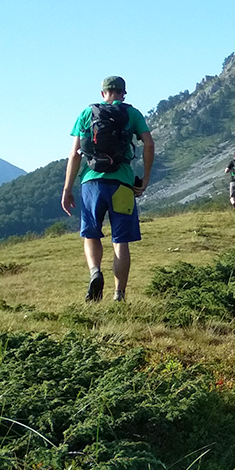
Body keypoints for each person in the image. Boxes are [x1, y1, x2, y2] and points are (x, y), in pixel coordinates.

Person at [60, 76, 155, 303]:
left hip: (91, 182)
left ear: (103, 93)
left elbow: (74, 154)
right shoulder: (132, 114)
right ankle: (119, 295)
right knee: (120, 240)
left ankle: (95, 272)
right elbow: (149, 144)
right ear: (123, 93)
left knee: (91, 234)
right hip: (122, 183)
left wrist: (67, 189)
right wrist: (146, 179)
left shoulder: (87, 113)